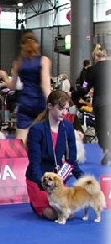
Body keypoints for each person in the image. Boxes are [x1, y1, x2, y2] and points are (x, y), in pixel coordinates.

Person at [25, 90, 84, 220]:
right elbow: (35, 163)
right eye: (61, 108)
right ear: (50, 106)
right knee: (53, 215)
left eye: (67, 109)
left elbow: (71, 160)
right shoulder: (36, 130)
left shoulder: (68, 127)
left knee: (69, 214)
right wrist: (44, 185)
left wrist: (84, 180)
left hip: (58, 182)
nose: (64, 113)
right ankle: (35, 202)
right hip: (39, 181)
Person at [10, 31, 51, 143]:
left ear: (22, 46)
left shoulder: (18, 63)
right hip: (40, 103)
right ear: (37, 44)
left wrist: (4, 77)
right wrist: (52, 103)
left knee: (21, 143)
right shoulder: (44, 60)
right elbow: (45, 85)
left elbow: (12, 87)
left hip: (24, 103)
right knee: (42, 140)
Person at [88, 43, 110, 164]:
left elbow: (85, 88)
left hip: (101, 103)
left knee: (101, 129)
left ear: (95, 57)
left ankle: (107, 149)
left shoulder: (92, 69)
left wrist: (75, 96)